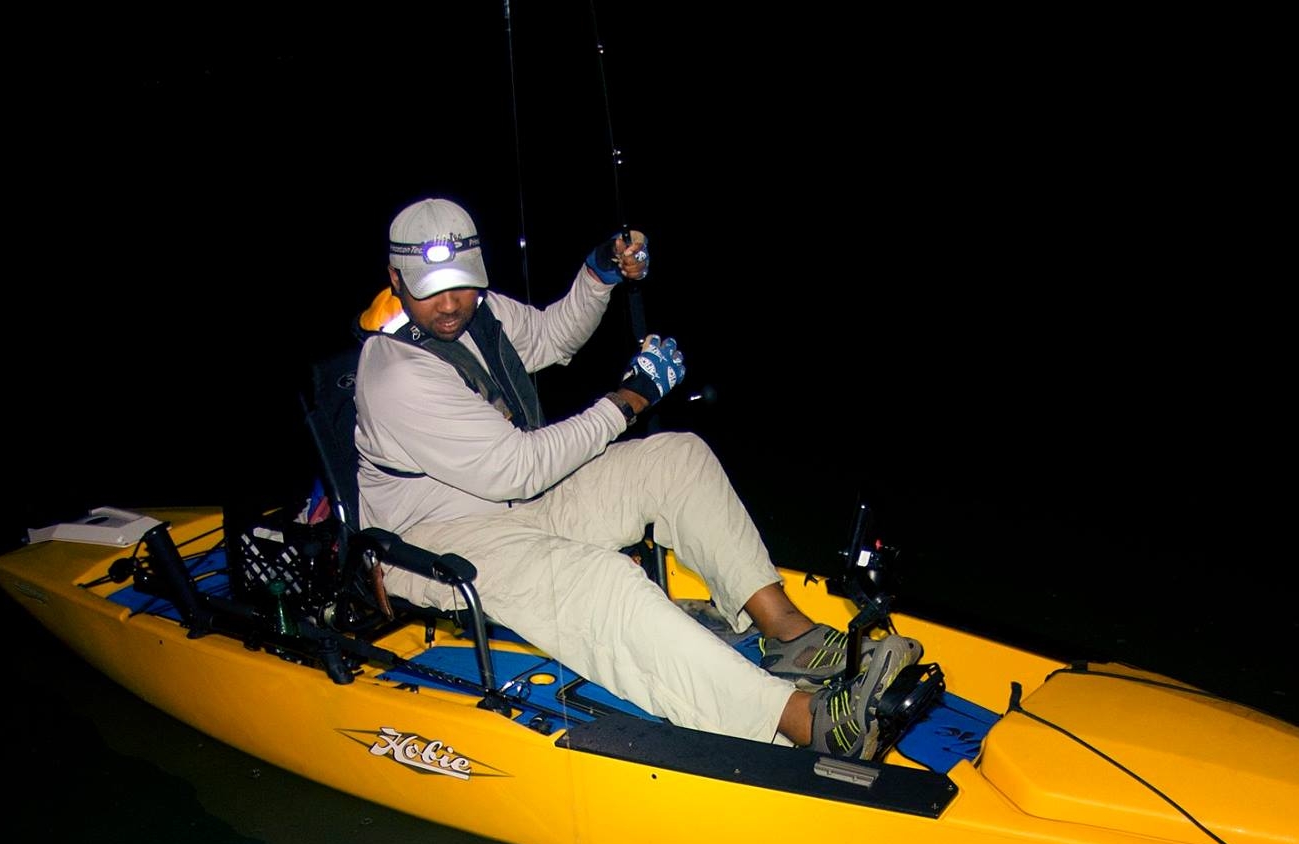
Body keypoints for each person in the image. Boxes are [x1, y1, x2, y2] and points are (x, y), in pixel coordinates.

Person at [352, 196, 919, 759]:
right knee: (605, 583)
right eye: (431, 288)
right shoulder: (395, 375)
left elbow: (551, 338)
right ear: (396, 279)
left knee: (677, 458)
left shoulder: (481, 312)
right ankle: (807, 722)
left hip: (513, 509)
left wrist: (597, 276)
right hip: (435, 543)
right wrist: (631, 397)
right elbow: (520, 469)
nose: (451, 303)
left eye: (462, 283)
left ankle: (791, 635)